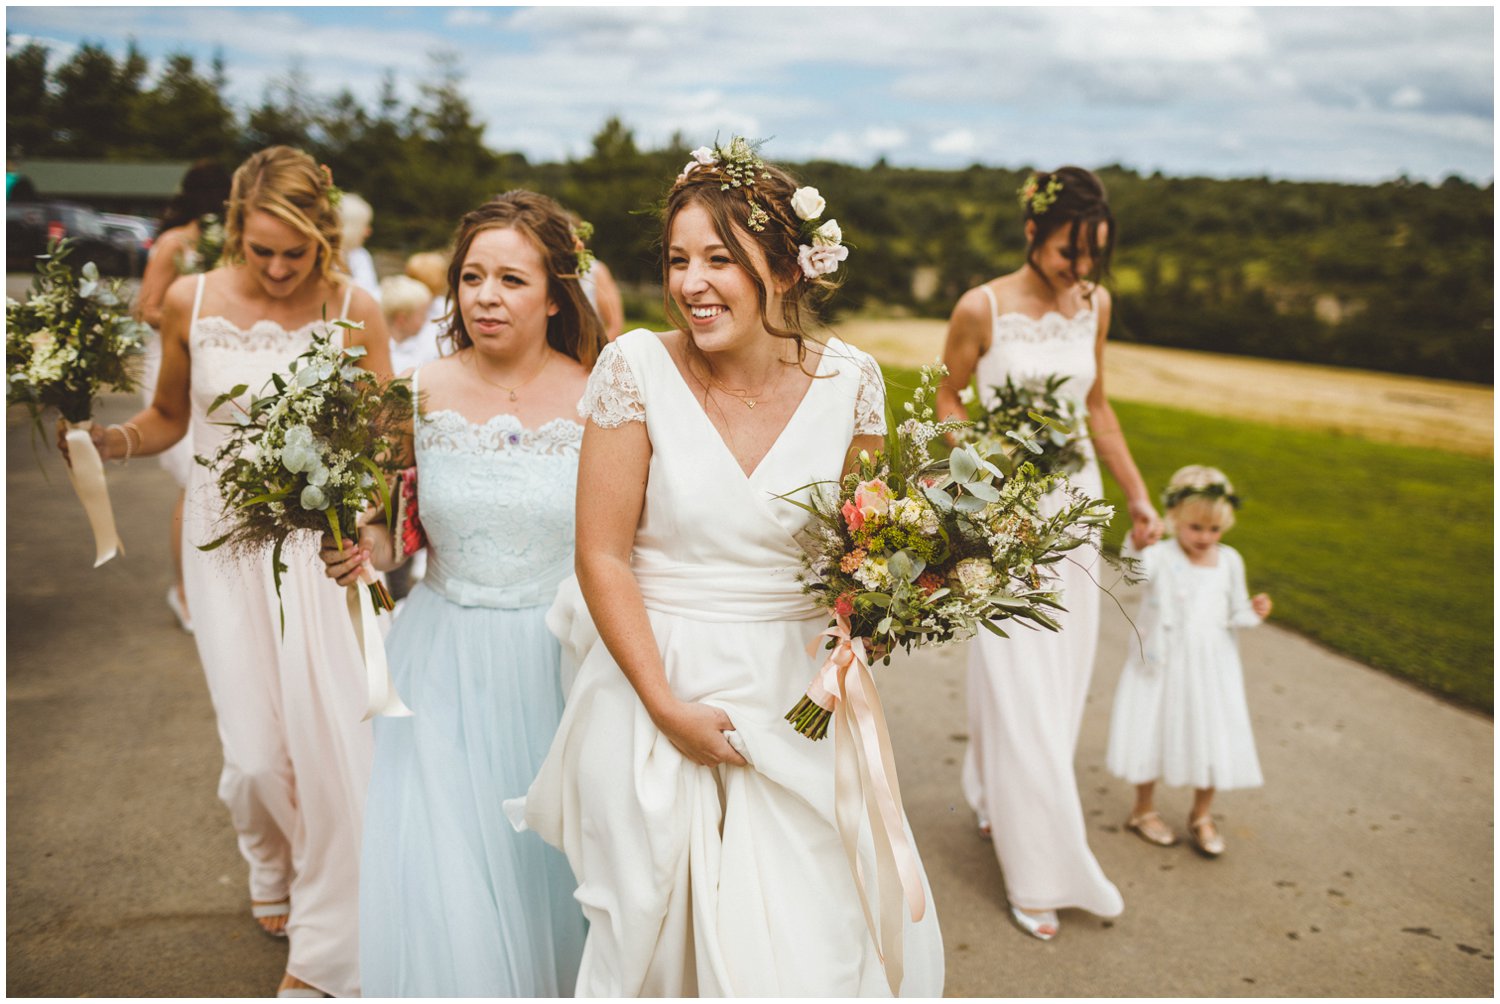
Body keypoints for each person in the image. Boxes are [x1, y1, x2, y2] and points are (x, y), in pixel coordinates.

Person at [514, 140, 945, 996]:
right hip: (655, 681)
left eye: (720, 258)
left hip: (797, 699)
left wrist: (907, 593)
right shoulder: (634, 369)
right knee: (655, 936)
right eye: (678, 259)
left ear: (785, 268)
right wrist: (666, 707)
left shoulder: (852, 382)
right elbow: (600, 554)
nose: (691, 282)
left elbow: (858, 554)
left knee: (807, 941)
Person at [62, 145, 392, 997]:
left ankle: (325, 929)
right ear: (233, 234)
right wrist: (112, 442)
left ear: (322, 237)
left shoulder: (358, 307)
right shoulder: (190, 298)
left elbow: (384, 440)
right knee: (253, 756)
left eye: (297, 252)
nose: (280, 271)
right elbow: (171, 414)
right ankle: (265, 854)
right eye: (262, 251)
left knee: (330, 750)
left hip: (317, 552)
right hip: (223, 549)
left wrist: (365, 522)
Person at [319, 192, 598, 995]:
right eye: (471, 276)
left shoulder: (602, 397)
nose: (484, 296)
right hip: (440, 661)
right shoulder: (414, 393)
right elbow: (394, 526)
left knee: (553, 870)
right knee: (448, 876)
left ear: (554, 294)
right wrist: (359, 545)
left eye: (511, 278)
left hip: (561, 664)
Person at [935, 166, 1164, 941]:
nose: (1081, 270)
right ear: (1033, 232)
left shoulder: (1094, 306)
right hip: (1006, 520)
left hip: (1076, 513)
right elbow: (947, 393)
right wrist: (974, 473)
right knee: (1020, 678)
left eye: (1093, 254)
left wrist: (1135, 494)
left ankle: (1001, 795)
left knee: (1060, 685)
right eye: (1070, 252)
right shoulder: (981, 307)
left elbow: (1096, 405)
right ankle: (1041, 870)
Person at [1105, 465, 1270, 857]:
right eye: (1196, 527)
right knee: (1152, 728)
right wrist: (1138, 543)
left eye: (1213, 530)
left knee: (1208, 733)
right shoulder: (1160, 556)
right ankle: (1143, 809)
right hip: (1161, 663)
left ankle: (1202, 813)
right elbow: (1134, 576)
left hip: (1211, 666)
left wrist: (1255, 612)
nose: (1205, 538)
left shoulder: (1229, 561)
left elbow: (1236, 611)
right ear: (1175, 518)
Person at [132, 158, 232, 634]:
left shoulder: (227, 243)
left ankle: (218, 587)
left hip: (218, 369)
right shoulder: (175, 243)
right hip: (178, 365)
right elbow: (145, 308)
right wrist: (193, 320)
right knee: (193, 481)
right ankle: (184, 591)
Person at [379, 273, 438, 374]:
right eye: (422, 315)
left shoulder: (424, 341)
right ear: (401, 319)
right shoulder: (385, 355)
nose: (426, 320)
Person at [339, 192, 381, 300]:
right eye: (365, 225)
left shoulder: (360, 255)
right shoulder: (321, 256)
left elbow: (372, 294)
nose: (368, 232)